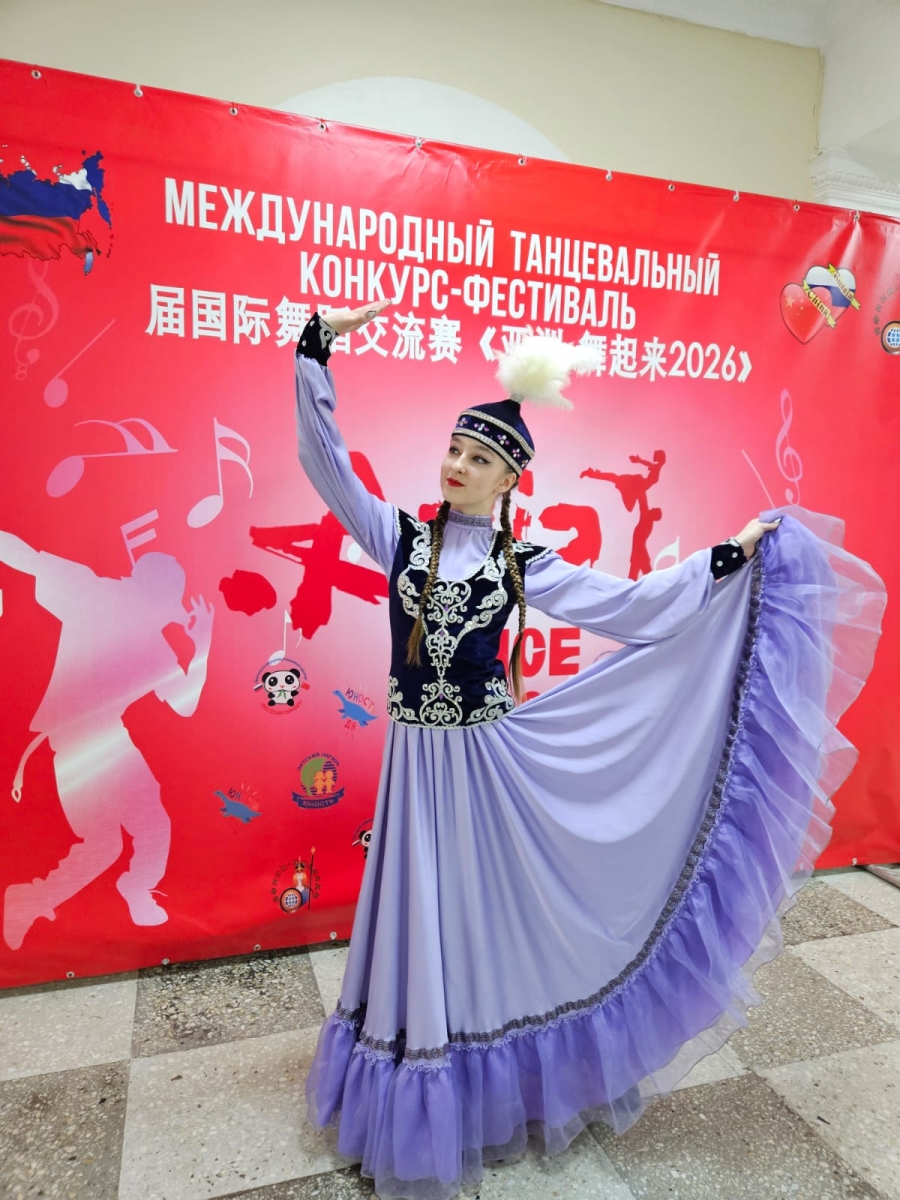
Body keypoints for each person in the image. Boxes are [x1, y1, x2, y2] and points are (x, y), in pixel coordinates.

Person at [294, 303, 885, 1200]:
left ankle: (484, 1083)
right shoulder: (400, 538)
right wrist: (316, 351)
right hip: (416, 770)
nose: (458, 465)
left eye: (480, 458)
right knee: (420, 910)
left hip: (486, 769)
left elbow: (634, 606)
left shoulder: (521, 563)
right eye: (455, 448)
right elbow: (325, 464)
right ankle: (418, 1067)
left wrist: (727, 559)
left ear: (510, 479)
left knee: (480, 919)